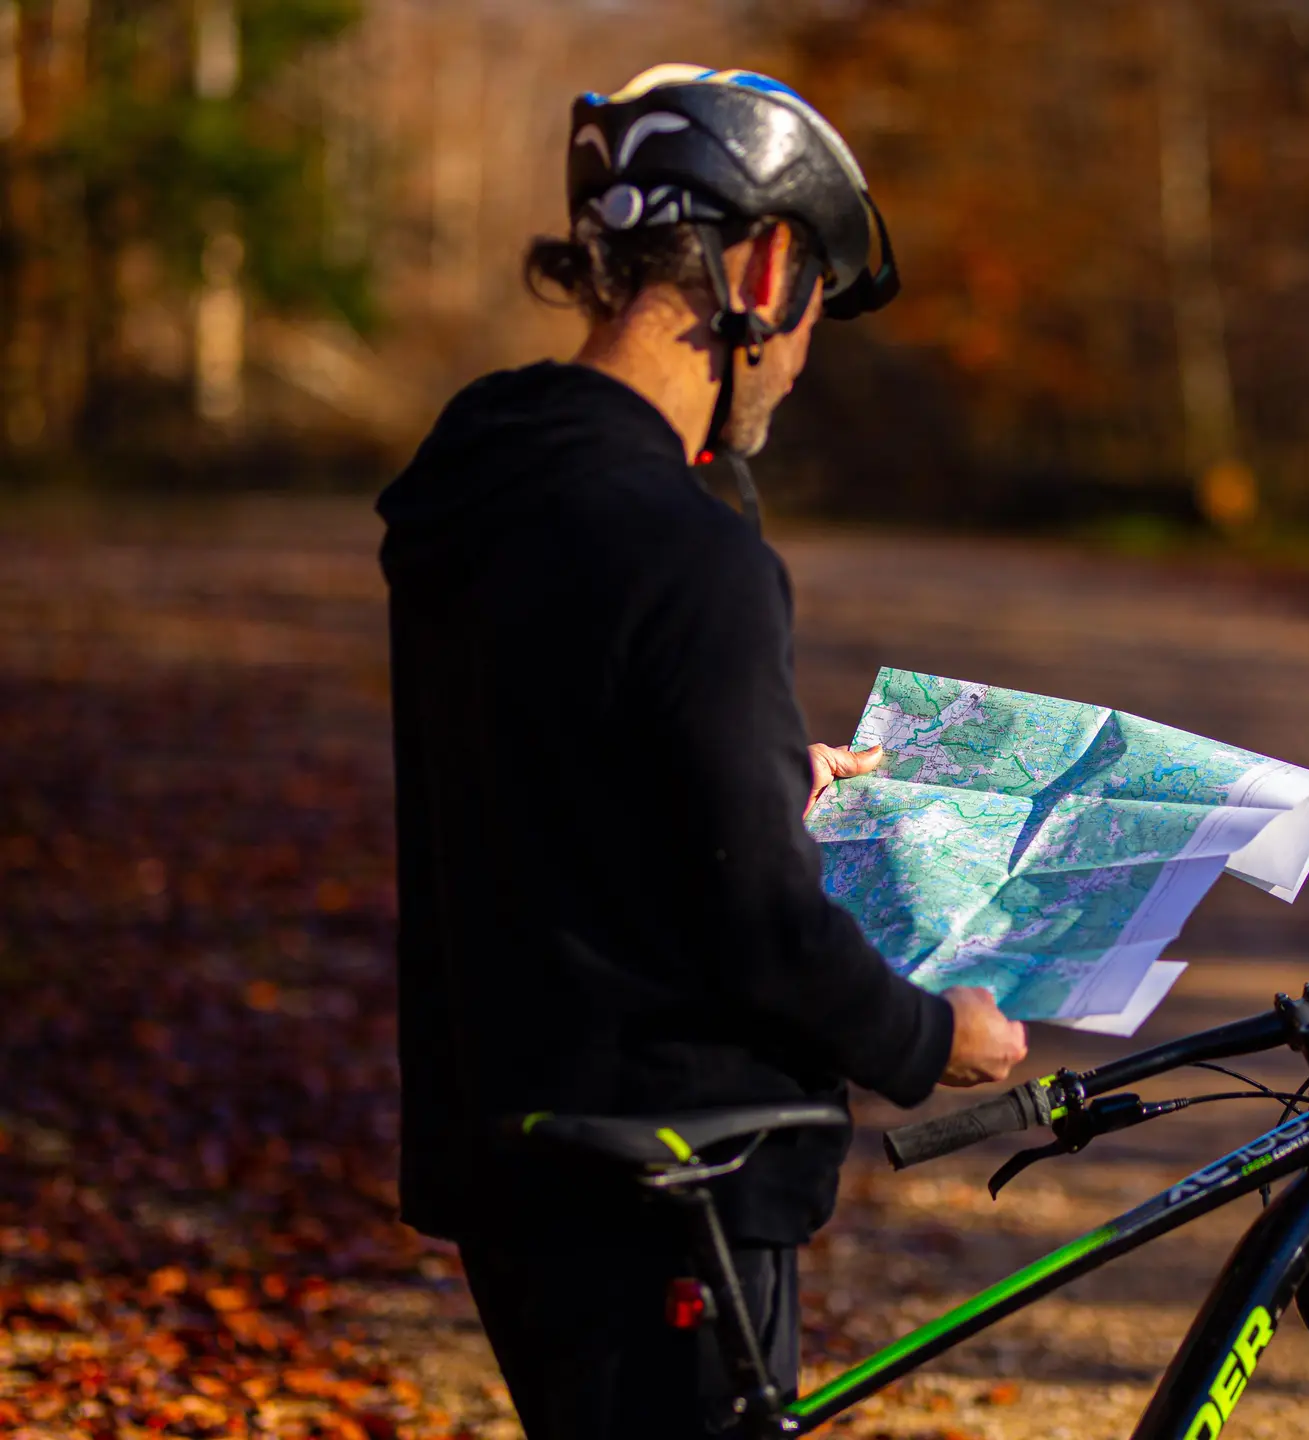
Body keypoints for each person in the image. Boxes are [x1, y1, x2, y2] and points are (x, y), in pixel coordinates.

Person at [375, 65, 1029, 1439]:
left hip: (514, 1144)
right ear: (767, 267)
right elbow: (764, 932)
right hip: (678, 1173)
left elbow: (554, 760)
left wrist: (760, 770)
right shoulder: (690, 552)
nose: (802, 355)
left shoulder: (487, 482)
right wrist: (933, 1036)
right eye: (815, 311)